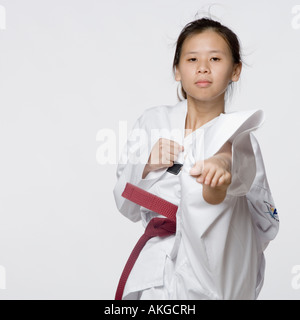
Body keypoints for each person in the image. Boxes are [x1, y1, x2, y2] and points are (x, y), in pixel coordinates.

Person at [113, 17, 279, 300]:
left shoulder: (241, 136)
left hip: (217, 264)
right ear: (177, 70)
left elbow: (266, 224)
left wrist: (224, 174)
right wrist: (147, 165)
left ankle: (214, 189)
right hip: (158, 270)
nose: (203, 67)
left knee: (225, 181)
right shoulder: (153, 122)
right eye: (191, 59)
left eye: (215, 58)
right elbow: (125, 205)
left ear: (235, 70)